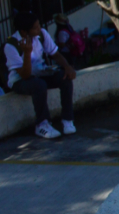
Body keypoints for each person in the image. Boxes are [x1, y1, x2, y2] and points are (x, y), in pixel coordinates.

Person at [4, 10, 77, 140]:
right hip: (20, 80)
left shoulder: (41, 34)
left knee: (64, 78)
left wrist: (67, 67)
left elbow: (55, 54)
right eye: (35, 28)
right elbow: (25, 76)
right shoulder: (11, 46)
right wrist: (27, 53)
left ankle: (67, 119)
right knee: (39, 85)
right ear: (24, 32)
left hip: (40, 72)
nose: (39, 29)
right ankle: (42, 124)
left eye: (38, 25)